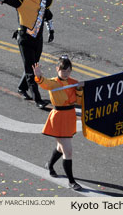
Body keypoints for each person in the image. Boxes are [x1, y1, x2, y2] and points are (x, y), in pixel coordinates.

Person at [0, 0, 54, 108]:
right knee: (31, 70)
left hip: (37, 39)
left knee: (33, 65)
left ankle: (22, 88)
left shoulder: (43, 0)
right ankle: (38, 100)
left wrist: (51, 30)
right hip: (24, 39)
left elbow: (49, 16)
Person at [32, 55, 84, 191]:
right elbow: (44, 83)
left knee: (61, 148)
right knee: (68, 150)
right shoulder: (54, 82)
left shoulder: (74, 82)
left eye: (68, 70)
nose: (65, 73)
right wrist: (38, 76)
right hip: (59, 117)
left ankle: (49, 165)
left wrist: (79, 89)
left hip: (70, 117)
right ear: (57, 69)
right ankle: (71, 181)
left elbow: (79, 102)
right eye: (63, 70)